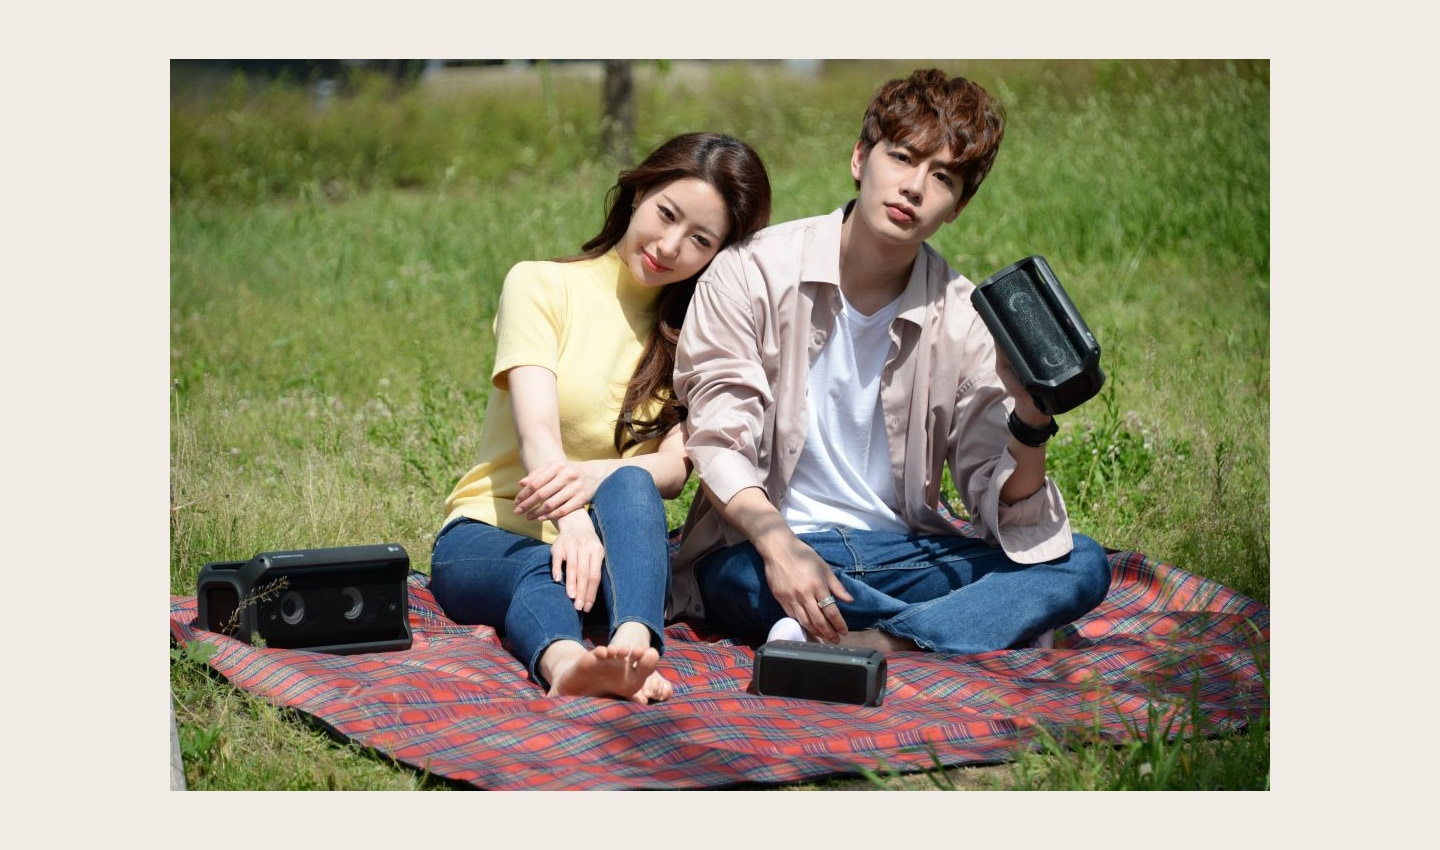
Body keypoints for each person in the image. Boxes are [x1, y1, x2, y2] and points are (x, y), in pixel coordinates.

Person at [670, 69, 1111, 655]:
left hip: (900, 553)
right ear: (860, 158)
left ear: (957, 206)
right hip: (762, 544)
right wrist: (780, 546)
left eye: (943, 177)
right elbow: (719, 443)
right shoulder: (752, 270)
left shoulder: (964, 315)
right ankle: (970, 624)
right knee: (730, 579)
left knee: (1079, 564)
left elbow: (1001, 502)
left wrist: (1030, 421)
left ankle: (873, 640)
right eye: (902, 157)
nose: (914, 188)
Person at [431, 132, 772, 702]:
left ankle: (634, 647)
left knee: (633, 481)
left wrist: (597, 481)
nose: (669, 245)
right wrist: (575, 521)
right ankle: (569, 665)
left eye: (699, 239)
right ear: (638, 192)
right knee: (541, 573)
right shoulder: (540, 284)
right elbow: (536, 431)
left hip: (616, 550)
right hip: (495, 532)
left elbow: (673, 472)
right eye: (665, 214)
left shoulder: (693, 339)